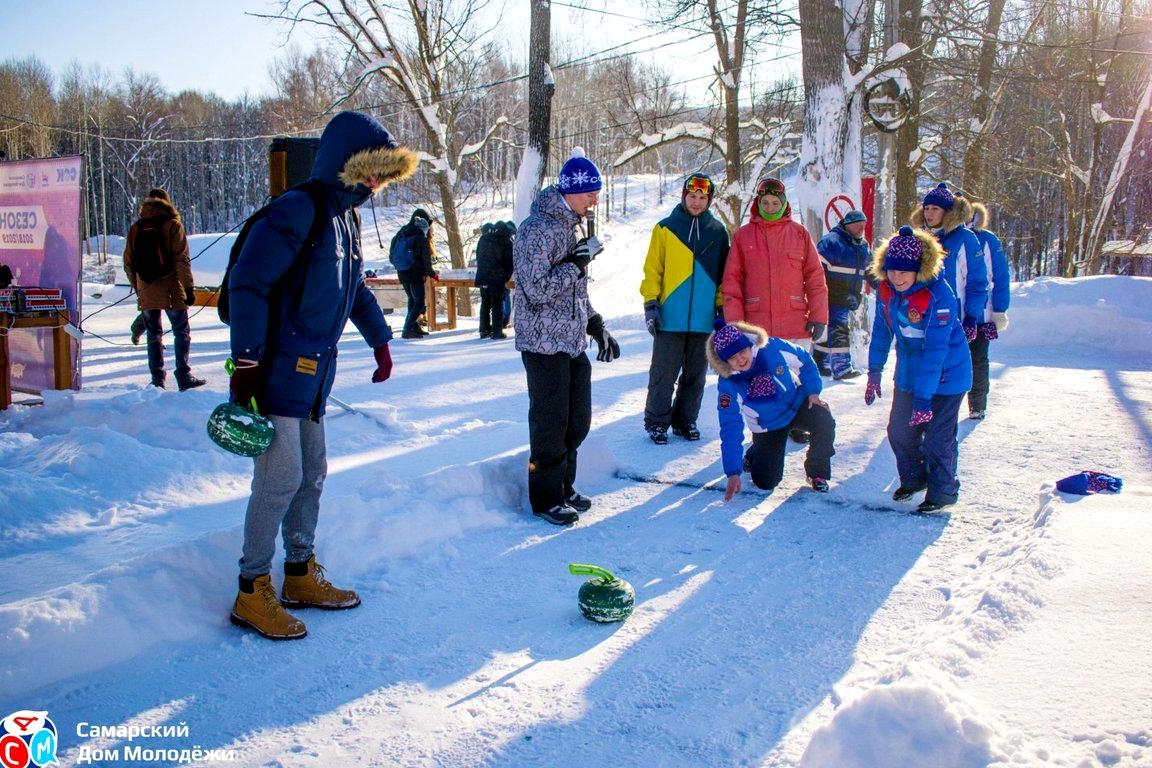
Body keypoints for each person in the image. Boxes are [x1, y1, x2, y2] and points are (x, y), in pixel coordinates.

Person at [225, 111, 418, 640]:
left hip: (314, 374)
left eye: (383, 173)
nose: (375, 183)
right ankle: (250, 588)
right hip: (273, 371)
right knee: (279, 478)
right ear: (342, 164)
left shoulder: (345, 221)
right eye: (369, 171)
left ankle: (299, 573)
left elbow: (354, 289)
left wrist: (380, 341)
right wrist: (245, 362)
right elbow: (248, 283)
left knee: (313, 473)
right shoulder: (299, 209)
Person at [514, 147, 620, 526]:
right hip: (542, 343)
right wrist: (576, 263)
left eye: (597, 193)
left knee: (578, 421)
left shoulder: (572, 226)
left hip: (572, 339)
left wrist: (596, 324)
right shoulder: (536, 229)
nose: (595, 200)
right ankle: (546, 499)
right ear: (571, 191)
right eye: (590, 193)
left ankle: (564, 485)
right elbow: (535, 289)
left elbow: (577, 290)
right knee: (550, 423)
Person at [866, 225, 973, 513]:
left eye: (904, 271)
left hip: (947, 375)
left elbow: (935, 352)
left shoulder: (939, 296)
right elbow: (880, 331)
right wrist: (874, 371)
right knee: (899, 431)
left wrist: (925, 400)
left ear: (919, 269)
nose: (897, 276)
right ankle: (915, 479)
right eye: (892, 270)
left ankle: (944, 491)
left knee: (938, 438)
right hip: (910, 373)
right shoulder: (887, 291)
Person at [723, 176, 828, 443]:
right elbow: (732, 283)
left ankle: (801, 424)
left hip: (795, 323)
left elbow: (815, 279)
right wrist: (735, 327)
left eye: (775, 202)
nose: (770, 207)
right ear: (758, 204)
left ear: (784, 204)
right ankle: (766, 432)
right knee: (762, 381)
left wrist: (818, 316)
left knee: (798, 377)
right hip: (758, 328)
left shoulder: (800, 234)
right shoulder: (743, 236)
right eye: (765, 202)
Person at [639, 173, 730, 444]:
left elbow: (724, 274)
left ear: (709, 200)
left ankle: (685, 421)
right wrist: (651, 302)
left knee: (695, 375)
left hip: (703, 320)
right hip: (670, 316)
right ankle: (656, 422)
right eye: (693, 197)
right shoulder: (665, 229)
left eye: (703, 198)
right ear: (684, 196)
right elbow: (653, 269)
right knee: (663, 373)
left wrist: (721, 307)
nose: (697, 203)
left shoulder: (717, 231)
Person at [706, 317, 835, 501]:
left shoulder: (772, 348)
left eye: (742, 351)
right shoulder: (728, 384)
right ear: (726, 362)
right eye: (732, 358)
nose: (740, 359)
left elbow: (804, 360)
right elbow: (730, 426)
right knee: (765, 482)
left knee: (823, 417)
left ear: (749, 345)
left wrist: (813, 392)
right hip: (767, 425)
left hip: (796, 403)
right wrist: (733, 471)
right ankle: (755, 452)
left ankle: (817, 473)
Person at [122, 187, 206, 391]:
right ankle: (183, 375)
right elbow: (181, 260)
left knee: (154, 334)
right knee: (181, 331)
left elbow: (128, 261)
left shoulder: (137, 227)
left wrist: (139, 286)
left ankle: (157, 379)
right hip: (171, 288)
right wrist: (188, 287)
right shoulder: (172, 225)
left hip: (146, 288)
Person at [910, 183, 989, 344]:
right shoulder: (917, 237)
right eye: (926, 208)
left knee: (951, 366)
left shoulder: (964, 238)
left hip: (953, 314)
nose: (929, 213)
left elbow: (977, 281)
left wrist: (971, 317)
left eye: (935, 209)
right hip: (921, 312)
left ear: (947, 211)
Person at [967, 202, 1011, 420]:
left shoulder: (988, 240)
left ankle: (977, 403)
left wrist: (999, 309)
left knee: (978, 358)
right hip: (952, 312)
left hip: (981, 314)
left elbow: (1001, 276)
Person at [813, 209, 870, 380]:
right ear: (847, 225)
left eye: (863, 225)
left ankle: (820, 363)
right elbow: (816, 270)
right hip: (831, 293)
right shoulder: (831, 242)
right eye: (857, 225)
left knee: (830, 329)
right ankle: (841, 367)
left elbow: (871, 271)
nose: (861, 228)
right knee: (839, 328)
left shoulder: (862, 246)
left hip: (848, 295)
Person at [393, 208, 439, 339]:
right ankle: (407, 329)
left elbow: (392, 256)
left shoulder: (401, 233)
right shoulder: (420, 236)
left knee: (412, 300)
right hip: (416, 274)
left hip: (402, 272)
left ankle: (413, 327)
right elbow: (425, 260)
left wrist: (404, 266)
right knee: (418, 302)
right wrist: (431, 274)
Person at [475, 221, 514, 339]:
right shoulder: (506, 242)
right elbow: (509, 263)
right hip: (497, 277)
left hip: (483, 276)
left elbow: (478, 255)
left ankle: (484, 330)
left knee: (485, 303)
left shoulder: (484, 239)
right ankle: (497, 332)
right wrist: (506, 276)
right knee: (497, 304)